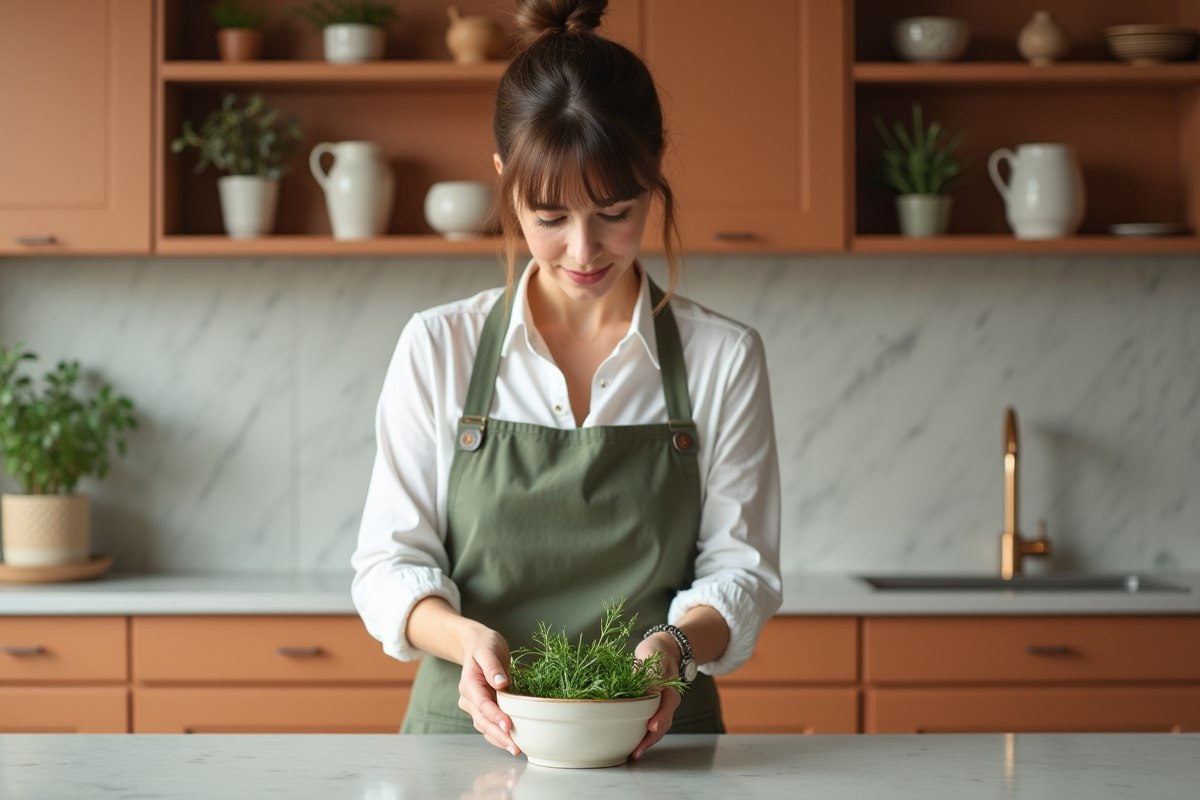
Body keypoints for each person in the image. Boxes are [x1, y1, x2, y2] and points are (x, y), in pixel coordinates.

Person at [351, 0, 781, 759]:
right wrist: (462, 637)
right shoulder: (438, 346)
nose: (582, 249)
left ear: (654, 174)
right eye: (548, 215)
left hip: (662, 740)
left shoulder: (723, 357)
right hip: (469, 739)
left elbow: (741, 569)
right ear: (502, 181)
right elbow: (390, 566)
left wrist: (672, 646)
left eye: (615, 211)